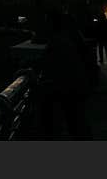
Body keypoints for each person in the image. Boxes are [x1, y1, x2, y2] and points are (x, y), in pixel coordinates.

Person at [37, 11, 94, 140]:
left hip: (67, 89)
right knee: (78, 123)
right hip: (76, 87)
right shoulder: (72, 39)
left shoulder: (59, 42)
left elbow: (52, 64)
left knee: (73, 123)